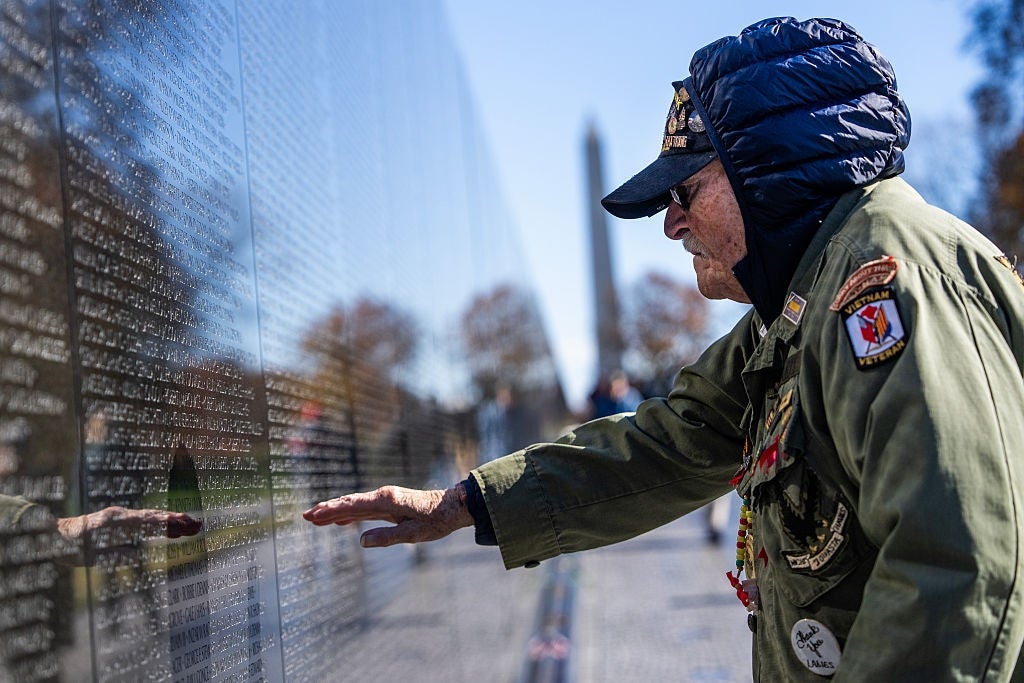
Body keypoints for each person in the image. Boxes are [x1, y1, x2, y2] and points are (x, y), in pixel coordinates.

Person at [304, 16, 1024, 680]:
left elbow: (960, 572)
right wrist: (465, 503)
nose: (671, 225)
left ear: (769, 172)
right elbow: (669, 442)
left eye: (687, 191)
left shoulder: (886, 279)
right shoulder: (799, 308)